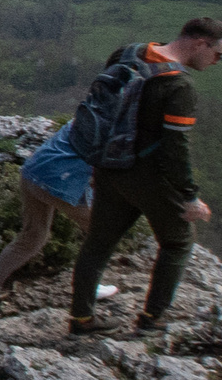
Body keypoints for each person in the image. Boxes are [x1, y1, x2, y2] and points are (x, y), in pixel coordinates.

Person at [68, 19, 222, 338]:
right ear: (200, 43)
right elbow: (175, 149)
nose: (218, 61)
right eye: (218, 54)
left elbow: (106, 109)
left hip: (110, 167)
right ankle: (152, 319)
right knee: (178, 242)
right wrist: (190, 197)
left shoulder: (129, 53)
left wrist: (98, 166)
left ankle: (81, 320)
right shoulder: (180, 86)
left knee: (97, 243)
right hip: (149, 176)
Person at [0, 122, 115, 319]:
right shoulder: (118, 125)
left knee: (33, 236)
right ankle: (89, 286)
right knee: (101, 231)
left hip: (33, 171)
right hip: (59, 180)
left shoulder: (90, 111)